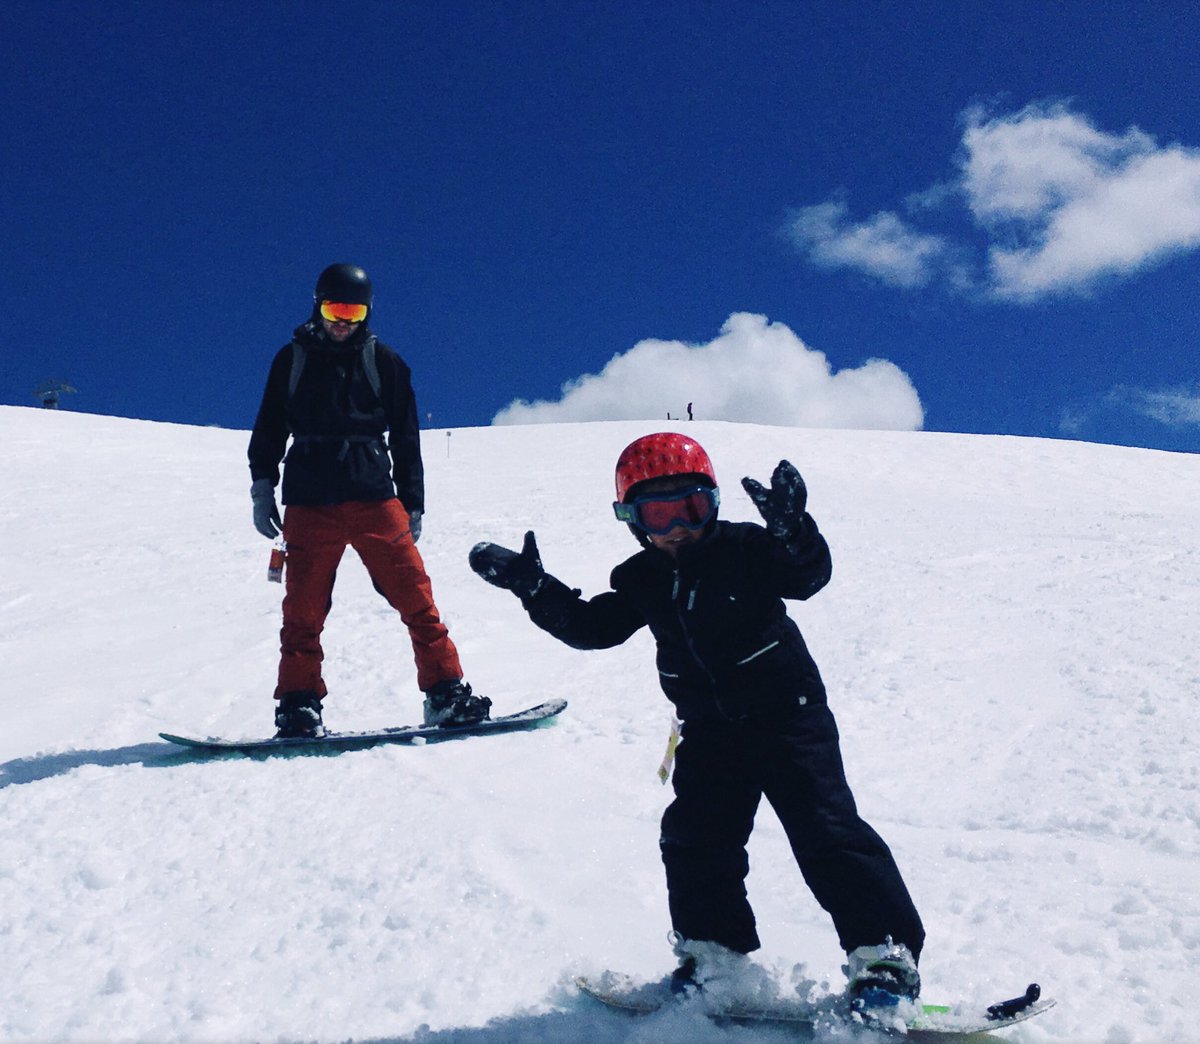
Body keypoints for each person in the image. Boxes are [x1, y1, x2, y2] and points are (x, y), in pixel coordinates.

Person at [468, 432, 924, 1010]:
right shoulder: (641, 578)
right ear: (631, 520)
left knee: (826, 830)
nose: (677, 527)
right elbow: (592, 628)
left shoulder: (748, 550)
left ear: (714, 503)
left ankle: (884, 960)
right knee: (694, 839)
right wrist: (534, 587)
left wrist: (794, 532)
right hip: (709, 729)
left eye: (691, 508)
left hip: (789, 715)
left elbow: (806, 576)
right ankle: (714, 958)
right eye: (658, 515)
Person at [248, 263, 490, 738]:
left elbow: (405, 436)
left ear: (367, 313)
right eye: (333, 309)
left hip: (373, 495)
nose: (343, 321)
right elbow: (270, 428)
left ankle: (444, 691)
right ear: (316, 306)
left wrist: (412, 503)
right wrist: (262, 486)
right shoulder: (291, 359)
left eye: (353, 311)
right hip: (309, 500)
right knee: (303, 611)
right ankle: (298, 704)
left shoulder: (385, 363)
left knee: (416, 598)